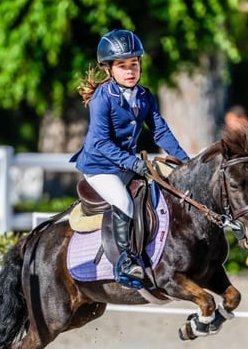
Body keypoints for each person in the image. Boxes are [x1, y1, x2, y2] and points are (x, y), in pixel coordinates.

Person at [71, 29, 190, 288]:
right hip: (100, 166)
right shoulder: (102, 98)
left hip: (125, 163)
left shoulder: (145, 96)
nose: (129, 71)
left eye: (133, 65)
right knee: (124, 202)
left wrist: (185, 161)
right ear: (110, 69)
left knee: (157, 193)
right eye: (122, 66)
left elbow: (160, 131)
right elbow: (101, 143)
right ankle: (126, 261)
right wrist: (134, 162)